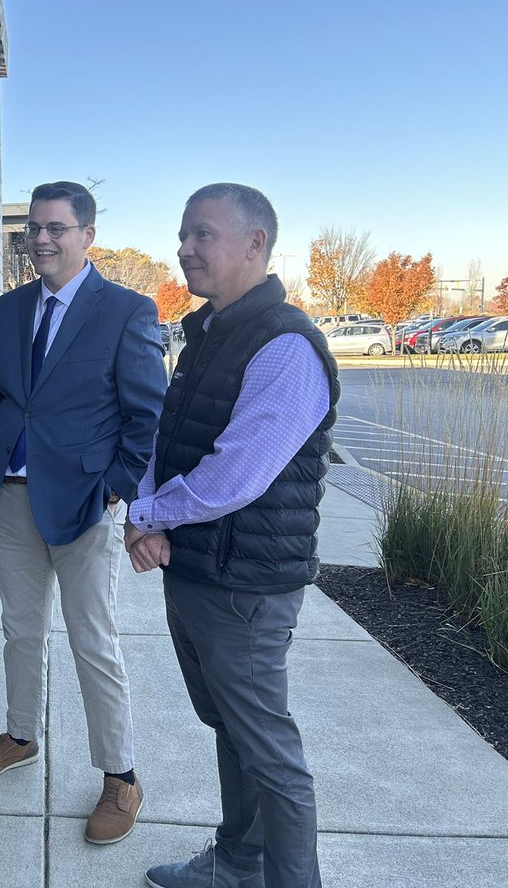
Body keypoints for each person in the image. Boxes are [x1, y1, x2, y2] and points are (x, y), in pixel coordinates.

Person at [127, 184, 338, 888]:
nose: (185, 248)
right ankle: (239, 863)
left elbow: (236, 475)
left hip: (247, 585)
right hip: (199, 569)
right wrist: (144, 513)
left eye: (203, 234)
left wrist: (151, 517)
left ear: (256, 244)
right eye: (183, 233)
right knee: (233, 729)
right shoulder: (205, 336)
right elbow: (168, 439)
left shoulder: (285, 345)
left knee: (269, 752)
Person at [0, 180, 167, 844]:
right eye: (34, 229)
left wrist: (115, 486)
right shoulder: (11, 308)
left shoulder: (127, 310)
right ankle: (22, 735)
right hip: (14, 500)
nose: (42, 239)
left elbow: (146, 415)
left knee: (92, 642)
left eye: (57, 228)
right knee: (20, 630)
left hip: (83, 504)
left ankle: (121, 774)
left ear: (88, 235)